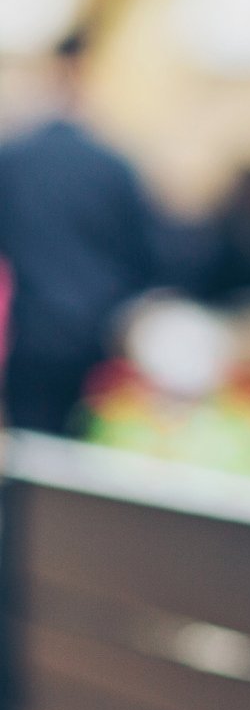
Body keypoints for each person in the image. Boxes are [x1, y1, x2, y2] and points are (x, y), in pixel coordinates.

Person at [0, 30, 158, 434]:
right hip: (93, 338)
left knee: (29, 455)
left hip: (30, 335)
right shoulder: (115, 166)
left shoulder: (15, 159)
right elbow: (146, 258)